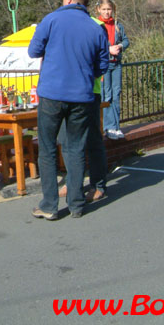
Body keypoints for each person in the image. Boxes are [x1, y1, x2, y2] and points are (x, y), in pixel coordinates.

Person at [28, 0, 109, 220]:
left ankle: (49, 205)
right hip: (82, 96)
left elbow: (33, 51)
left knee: (48, 149)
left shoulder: (51, 20)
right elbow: (103, 65)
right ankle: (76, 203)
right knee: (76, 148)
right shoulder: (96, 28)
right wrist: (85, 75)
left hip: (52, 94)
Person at [58, 14, 109, 203]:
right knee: (65, 140)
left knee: (93, 140)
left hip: (89, 92)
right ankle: (72, 182)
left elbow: (101, 60)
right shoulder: (61, 23)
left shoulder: (96, 26)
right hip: (64, 93)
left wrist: (87, 77)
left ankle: (98, 185)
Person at [98, 0, 130, 140]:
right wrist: (108, 49)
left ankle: (116, 127)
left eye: (109, 9)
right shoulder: (97, 25)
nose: (106, 12)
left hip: (117, 64)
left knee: (116, 95)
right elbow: (94, 45)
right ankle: (108, 127)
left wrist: (120, 46)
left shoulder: (117, 25)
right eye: (104, 9)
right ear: (99, 9)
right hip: (105, 64)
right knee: (107, 95)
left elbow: (126, 40)